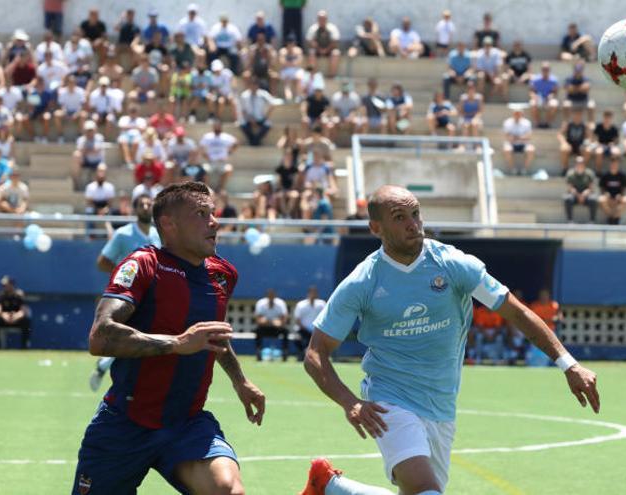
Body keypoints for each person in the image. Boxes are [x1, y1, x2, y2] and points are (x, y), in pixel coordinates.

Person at [297, 185, 599, 495]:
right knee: (427, 491)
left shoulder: (453, 264)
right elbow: (316, 352)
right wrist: (351, 402)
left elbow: (517, 313)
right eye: (399, 217)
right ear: (376, 228)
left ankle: (331, 487)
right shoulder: (363, 282)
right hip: (390, 400)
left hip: (441, 404)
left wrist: (568, 364)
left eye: (415, 214)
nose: (413, 224)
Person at [72, 182, 265, 494]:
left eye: (213, 213)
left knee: (230, 491)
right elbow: (100, 335)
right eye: (201, 214)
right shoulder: (143, 265)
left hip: (186, 424)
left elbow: (213, 333)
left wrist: (240, 381)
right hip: (124, 424)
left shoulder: (222, 274)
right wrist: (176, 344)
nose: (214, 222)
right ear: (168, 224)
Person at [89, 195, 161, 391]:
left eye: (149, 204)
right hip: (128, 295)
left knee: (145, 335)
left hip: (152, 295)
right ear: (135, 209)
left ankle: (106, 366)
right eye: (142, 205)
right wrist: (124, 275)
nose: (146, 207)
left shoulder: (158, 235)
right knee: (129, 335)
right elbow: (102, 261)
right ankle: (119, 377)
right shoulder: (123, 234)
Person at [238, 77, 282, 146]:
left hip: (261, 118)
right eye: (252, 85)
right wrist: (250, 119)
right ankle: (254, 141)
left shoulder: (263, 94)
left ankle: (254, 141)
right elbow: (243, 110)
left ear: (258, 86)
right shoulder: (244, 95)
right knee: (242, 124)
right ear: (249, 86)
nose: (253, 87)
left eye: (255, 85)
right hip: (248, 118)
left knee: (267, 125)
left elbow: (273, 103)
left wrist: (266, 116)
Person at [254, 288, 290, 362]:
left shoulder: (281, 303)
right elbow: (258, 319)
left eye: (272, 295)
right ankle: (258, 353)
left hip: (277, 328)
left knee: (286, 332)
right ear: (267, 296)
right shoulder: (260, 303)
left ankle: (285, 353)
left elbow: (284, 319)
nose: (271, 297)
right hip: (264, 328)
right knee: (257, 331)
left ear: (275, 296)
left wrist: (278, 323)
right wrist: (268, 322)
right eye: (269, 295)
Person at [292, 285, 325, 361]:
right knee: (296, 338)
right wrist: (307, 329)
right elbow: (297, 320)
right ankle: (302, 353)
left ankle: (318, 356)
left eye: (315, 293)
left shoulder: (322, 304)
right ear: (308, 293)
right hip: (303, 330)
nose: (313, 294)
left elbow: (325, 318)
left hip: (317, 330)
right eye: (312, 292)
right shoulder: (300, 305)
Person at [0, 276, 31, 350]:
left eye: (6, 285)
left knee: (26, 321)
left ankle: (25, 347)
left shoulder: (19, 295)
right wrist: (4, 315)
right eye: (3, 285)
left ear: (12, 285)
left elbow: (23, 310)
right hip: (4, 320)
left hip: (17, 320)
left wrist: (16, 316)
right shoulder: (0, 296)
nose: (4, 287)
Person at [306, 11, 341, 78]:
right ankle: (313, 76)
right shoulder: (313, 28)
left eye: (323, 19)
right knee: (311, 52)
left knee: (336, 53)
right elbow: (309, 41)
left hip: (329, 50)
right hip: (317, 50)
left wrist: (326, 50)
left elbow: (335, 41)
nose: (322, 20)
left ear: (327, 19)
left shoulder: (332, 28)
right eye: (320, 19)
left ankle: (331, 76)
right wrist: (319, 49)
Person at [72, 120, 105, 190]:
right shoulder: (81, 139)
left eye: (91, 130)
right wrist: (88, 150)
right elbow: (80, 151)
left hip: (97, 162)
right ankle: (75, 182)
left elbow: (96, 150)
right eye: (88, 130)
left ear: (95, 130)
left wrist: (85, 150)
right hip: (85, 161)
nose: (89, 132)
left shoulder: (99, 137)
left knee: (102, 168)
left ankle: (100, 188)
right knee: (76, 155)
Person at [563, 156, 597, 223]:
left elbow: (591, 188)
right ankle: (570, 220)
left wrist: (585, 194)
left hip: (586, 195)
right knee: (568, 199)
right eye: (578, 163)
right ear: (575, 164)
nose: (580, 164)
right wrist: (578, 195)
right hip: (575, 195)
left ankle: (592, 221)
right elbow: (570, 188)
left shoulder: (589, 173)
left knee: (593, 199)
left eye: (581, 163)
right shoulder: (570, 173)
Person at [598, 157, 626, 225]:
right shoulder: (605, 175)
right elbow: (602, 188)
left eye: (615, 164)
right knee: (601, 199)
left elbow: (625, 187)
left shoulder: (622, 175)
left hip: (618, 197)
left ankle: (616, 217)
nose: (614, 165)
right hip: (608, 197)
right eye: (613, 164)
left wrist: (621, 195)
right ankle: (610, 217)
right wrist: (605, 194)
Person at [502, 108, 534, 176]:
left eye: (519, 113)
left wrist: (516, 137)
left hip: (524, 144)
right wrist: (521, 137)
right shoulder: (507, 122)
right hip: (511, 144)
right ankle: (513, 169)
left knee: (531, 149)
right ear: (513, 114)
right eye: (516, 113)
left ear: (522, 114)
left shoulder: (527, 123)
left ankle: (524, 169)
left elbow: (529, 136)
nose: (517, 115)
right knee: (507, 149)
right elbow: (507, 136)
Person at [473, 37, 507, 101]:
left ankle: (501, 98)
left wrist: (497, 77)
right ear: (483, 45)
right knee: (481, 75)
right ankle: (481, 96)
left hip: (494, 74)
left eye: (489, 45)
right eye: (486, 45)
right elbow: (479, 69)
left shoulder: (496, 52)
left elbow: (499, 66)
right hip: (485, 75)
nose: (487, 46)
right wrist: (490, 74)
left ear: (491, 45)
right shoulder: (480, 53)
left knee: (503, 79)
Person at [528, 62, 559, 128]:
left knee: (554, 104)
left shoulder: (554, 80)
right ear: (541, 70)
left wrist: (551, 96)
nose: (545, 71)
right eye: (544, 69)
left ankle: (547, 124)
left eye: (547, 69)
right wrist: (534, 96)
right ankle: (538, 123)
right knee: (532, 104)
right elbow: (531, 91)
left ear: (549, 70)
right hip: (538, 98)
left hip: (548, 98)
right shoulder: (535, 79)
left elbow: (555, 92)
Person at [588, 110, 620, 175]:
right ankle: (598, 171)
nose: (607, 119)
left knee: (616, 152)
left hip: (610, 146)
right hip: (600, 145)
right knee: (598, 152)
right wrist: (597, 143)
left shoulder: (614, 128)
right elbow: (594, 138)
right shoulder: (598, 127)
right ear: (603, 117)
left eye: (609, 118)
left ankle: (613, 171)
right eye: (606, 117)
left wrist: (613, 144)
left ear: (611, 118)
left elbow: (616, 140)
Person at [558, 109, 589, 174]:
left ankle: (583, 169)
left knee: (587, 150)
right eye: (576, 114)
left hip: (580, 146)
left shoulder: (584, 125)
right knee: (563, 149)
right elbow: (560, 134)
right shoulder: (568, 124)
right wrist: (564, 143)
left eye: (579, 115)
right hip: (570, 146)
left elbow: (589, 137)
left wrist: (585, 143)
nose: (577, 116)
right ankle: (565, 169)